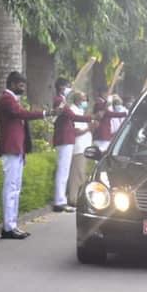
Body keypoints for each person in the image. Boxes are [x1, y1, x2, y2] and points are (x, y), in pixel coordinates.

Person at [0, 71, 53, 239]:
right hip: (11, 149)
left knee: (15, 188)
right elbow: (22, 114)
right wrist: (45, 113)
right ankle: (8, 227)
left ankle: (12, 224)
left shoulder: (14, 100)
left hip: (17, 150)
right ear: (12, 84)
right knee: (10, 188)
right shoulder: (7, 99)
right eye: (21, 85)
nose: (23, 88)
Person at [52, 79, 90, 212]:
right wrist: (91, 118)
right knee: (62, 172)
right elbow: (72, 117)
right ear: (62, 87)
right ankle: (59, 201)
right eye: (68, 86)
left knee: (65, 172)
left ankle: (61, 200)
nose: (70, 88)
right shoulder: (59, 100)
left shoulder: (63, 101)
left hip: (67, 139)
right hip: (63, 138)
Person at [67, 91, 94, 207]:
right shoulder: (73, 111)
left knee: (81, 174)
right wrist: (89, 128)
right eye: (84, 100)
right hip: (78, 148)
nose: (85, 102)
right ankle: (73, 199)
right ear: (78, 100)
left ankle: (79, 198)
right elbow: (76, 131)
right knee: (76, 175)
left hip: (84, 147)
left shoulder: (80, 111)